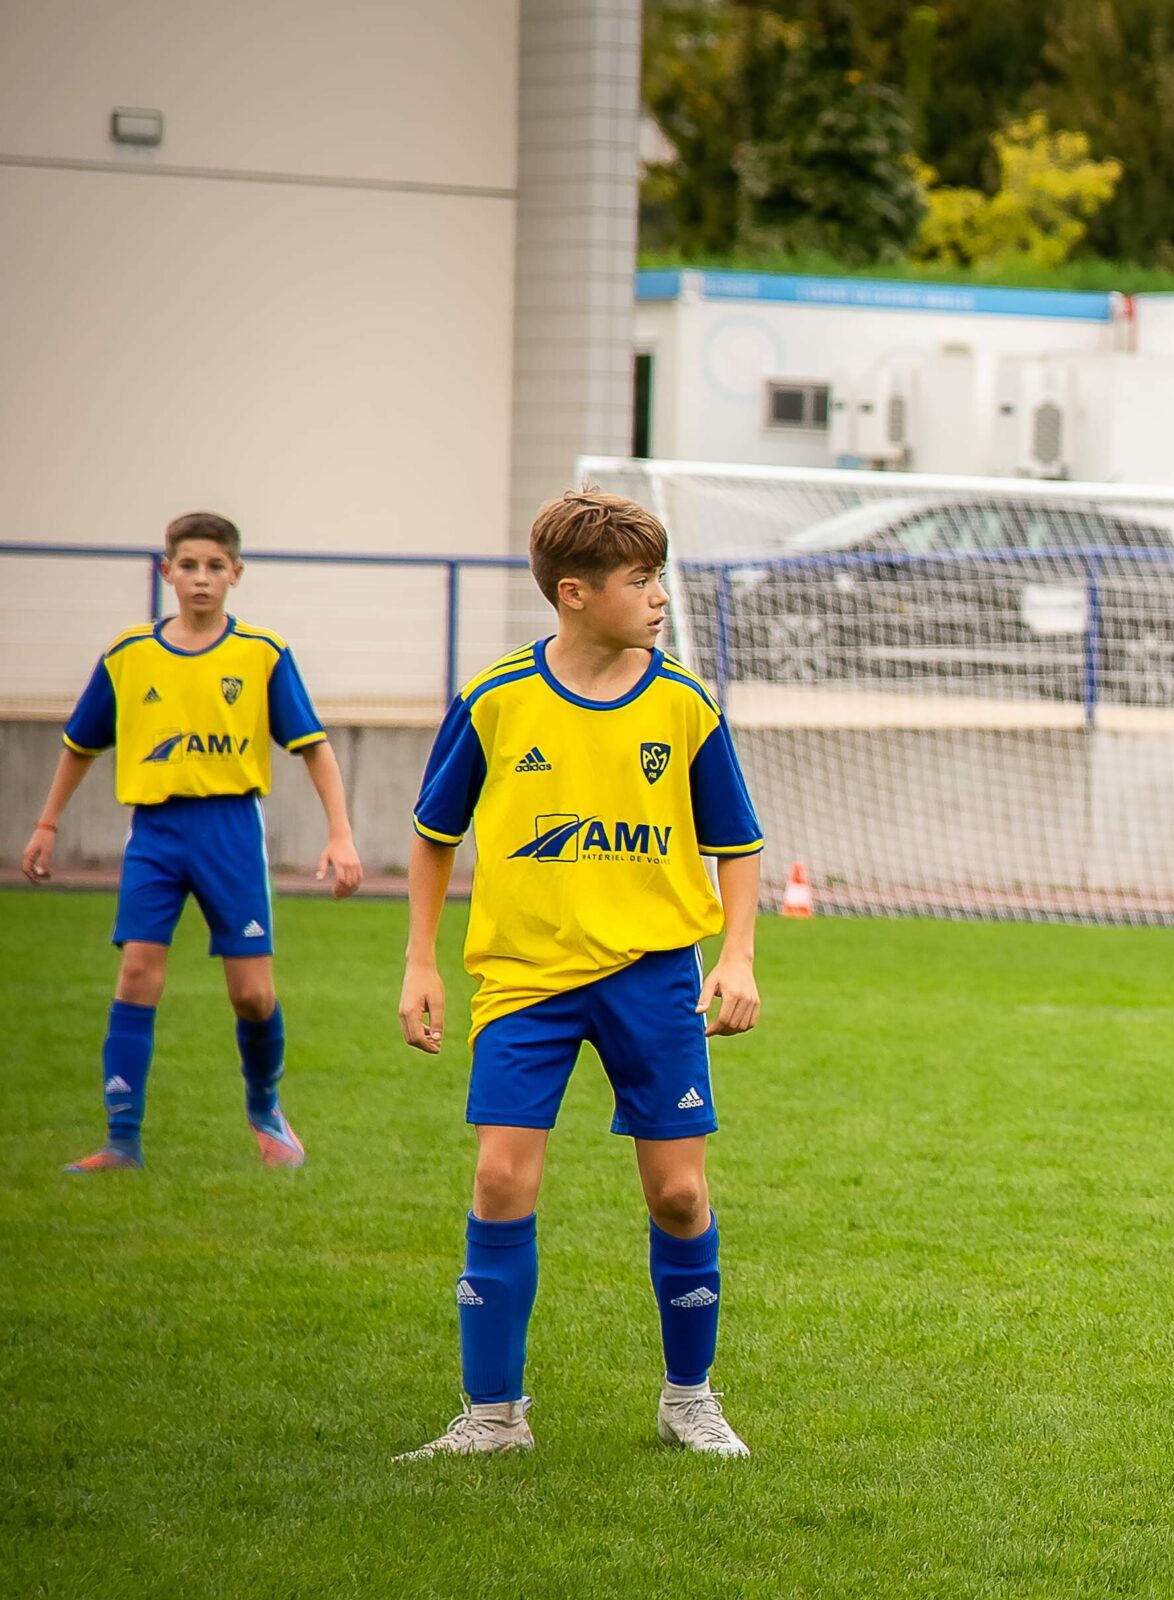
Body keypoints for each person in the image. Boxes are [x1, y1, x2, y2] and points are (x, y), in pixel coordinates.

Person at [395, 489, 765, 1458]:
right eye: (640, 580)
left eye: (658, 576)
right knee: (499, 1177)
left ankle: (689, 1398)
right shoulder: (495, 701)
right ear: (574, 593)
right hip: (526, 978)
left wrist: (737, 956)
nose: (659, 596)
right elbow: (434, 836)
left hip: (655, 977)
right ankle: (492, 1417)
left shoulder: (684, 705)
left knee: (678, 1194)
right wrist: (421, 962)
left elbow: (738, 843)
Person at [21, 511, 362, 1173]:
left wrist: (340, 835)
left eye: (214, 566)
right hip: (155, 831)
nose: (201, 578)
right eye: (188, 565)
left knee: (252, 995)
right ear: (166, 571)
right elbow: (80, 743)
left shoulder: (261, 654)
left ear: (236, 573)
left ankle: (265, 1110)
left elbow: (314, 747)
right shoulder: (129, 655)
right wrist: (47, 822)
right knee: (137, 974)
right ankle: (122, 1142)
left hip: (230, 831)